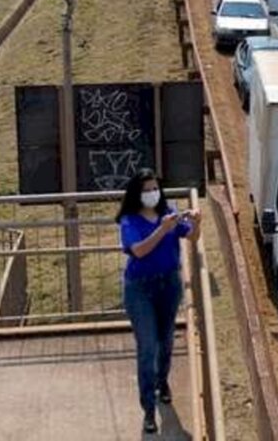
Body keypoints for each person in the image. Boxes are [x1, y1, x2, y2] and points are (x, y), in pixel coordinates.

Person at [117, 169, 201, 434]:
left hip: (169, 285)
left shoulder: (169, 212)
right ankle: (149, 409)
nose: (153, 194)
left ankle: (162, 381)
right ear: (136, 194)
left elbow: (191, 236)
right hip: (140, 289)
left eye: (155, 188)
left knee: (165, 341)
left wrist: (197, 222)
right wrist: (162, 229)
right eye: (147, 190)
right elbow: (139, 251)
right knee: (148, 347)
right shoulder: (130, 220)